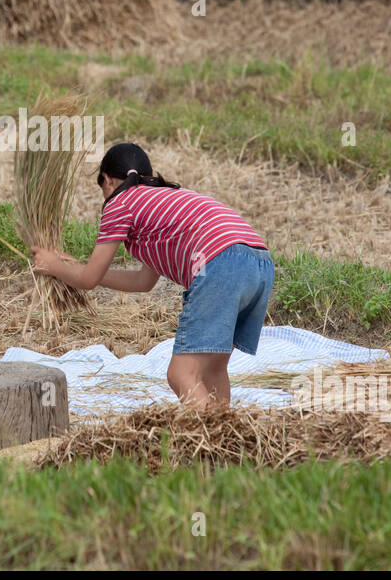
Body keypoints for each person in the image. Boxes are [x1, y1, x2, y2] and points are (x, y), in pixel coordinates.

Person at [32, 142, 273, 407]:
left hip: (219, 263)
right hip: (258, 262)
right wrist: (76, 269)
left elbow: (88, 280)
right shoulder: (161, 202)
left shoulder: (119, 202)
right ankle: (231, 440)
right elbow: (142, 281)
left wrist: (53, 266)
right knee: (211, 370)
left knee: (181, 373)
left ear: (107, 180)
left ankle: (215, 443)